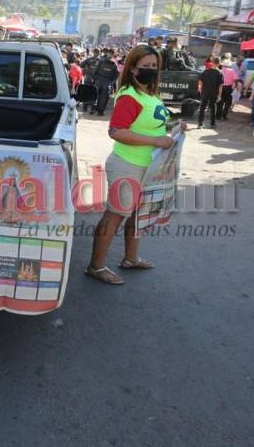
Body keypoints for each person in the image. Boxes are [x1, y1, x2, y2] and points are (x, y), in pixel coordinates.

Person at [87, 44, 187, 285]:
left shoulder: (149, 94)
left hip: (147, 167)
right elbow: (116, 131)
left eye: (154, 66)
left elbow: (148, 125)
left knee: (137, 214)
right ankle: (96, 266)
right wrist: (155, 140)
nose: (151, 70)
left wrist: (173, 129)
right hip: (127, 164)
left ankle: (131, 258)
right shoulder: (129, 96)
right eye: (146, 66)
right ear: (133, 68)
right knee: (115, 215)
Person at [92, 51, 120, 116]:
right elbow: (116, 75)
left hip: (99, 80)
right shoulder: (114, 64)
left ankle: (93, 109)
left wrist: (95, 79)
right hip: (107, 82)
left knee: (96, 95)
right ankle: (100, 112)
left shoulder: (101, 61)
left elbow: (95, 71)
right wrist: (111, 82)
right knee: (104, 97)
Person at [197, 58, 223, 128]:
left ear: (212, 63)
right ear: (219, 63)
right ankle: (212, 123)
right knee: (213, 108)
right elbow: (220, 86)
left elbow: (200, 81)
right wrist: (219, 95)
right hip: (213, 93)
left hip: (205, 92)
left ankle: (200, 124)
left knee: (202, 107)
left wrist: (200, 88)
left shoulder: (206, 71)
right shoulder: (219, 73)